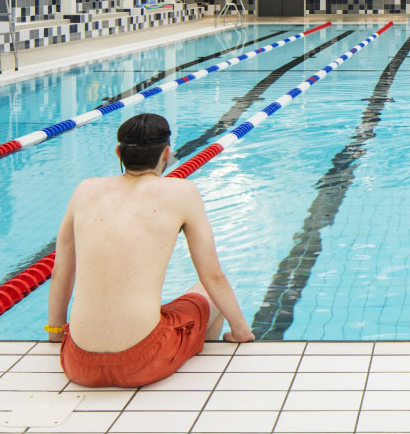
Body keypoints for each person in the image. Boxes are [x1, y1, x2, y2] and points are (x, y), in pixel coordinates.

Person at [46, 113, 254, 388]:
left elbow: (61, 271)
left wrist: (56, 335)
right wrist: (241, 331)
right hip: (143, 361)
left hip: (77, 362)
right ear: (167, 154)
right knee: (206, 293)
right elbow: (212, 275)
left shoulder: (85, 190)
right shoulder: (182, 192)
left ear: (118, 152)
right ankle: (207, 369)